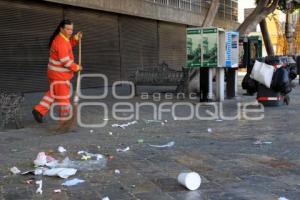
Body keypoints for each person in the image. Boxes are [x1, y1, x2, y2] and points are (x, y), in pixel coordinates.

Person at [32, 19, 82, 123]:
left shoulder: (63, 39)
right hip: (60, 75)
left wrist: (75, 39)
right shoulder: (61, 41)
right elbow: (65, 61)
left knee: (53, 93)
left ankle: (39, 110)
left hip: (53, 73)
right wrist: (76, 67)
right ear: (61, 29)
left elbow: (68, 45)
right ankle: (64, 121)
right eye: (68, 29)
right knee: (63, 98)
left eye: (71, 29)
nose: (70, 31)